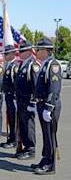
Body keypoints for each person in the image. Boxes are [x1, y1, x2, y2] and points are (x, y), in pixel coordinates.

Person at [32, 37, 62, 175]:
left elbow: (54, 88)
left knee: (50, 135)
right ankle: (45, 159)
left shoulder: (53, 65)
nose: (36, 51)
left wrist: (49, 107)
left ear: (46, 51)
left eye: (38, 49)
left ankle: (50, 165)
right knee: (45, 134)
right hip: (42, 103)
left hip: (49, 105)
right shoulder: (44, 64)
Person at [15, 41, 40, 160]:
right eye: (19, 51)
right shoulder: (22, 64)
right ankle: (25, 147)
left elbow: (35, 85)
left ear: (30, 52)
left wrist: (33, 102)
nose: (20, 53)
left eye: (22, 51)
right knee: (23, 124)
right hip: (21, 100)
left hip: (28, 101)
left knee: (29, 124)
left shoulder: (32, 65)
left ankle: (31, 149)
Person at [0, 45, 20, 148]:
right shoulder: (8, 65)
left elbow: (16, 84)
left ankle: (14, 140)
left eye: (7, 54)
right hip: (8, 96)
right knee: (10, 119)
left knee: (14, 119)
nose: (5, 56)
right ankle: (11, 138)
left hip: (13, 97)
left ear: (13, 54)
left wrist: (15, 98)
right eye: (4, 54)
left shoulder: (15, 66)